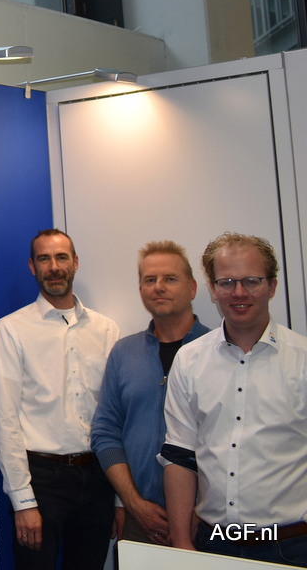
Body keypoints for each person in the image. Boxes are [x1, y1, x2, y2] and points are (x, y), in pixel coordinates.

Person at [160, 233, 307, 566]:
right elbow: (179, 455)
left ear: (272, 286)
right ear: (213, 289)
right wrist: (181, 543)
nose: (239, 293)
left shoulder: (302, 359)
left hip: (292, 547)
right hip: (213, 543)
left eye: (251, 281)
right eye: (226, 282)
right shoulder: (189, 360)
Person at [0, 228, 120, 569]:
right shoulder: (12, 330)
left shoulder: (107, 330)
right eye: (44, 259)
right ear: (32, 267)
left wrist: (120, 498)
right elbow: (5, 420)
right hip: (42, 482)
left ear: (75, 262)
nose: (54, 267)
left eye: (61, 257)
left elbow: (117, 416)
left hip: (99, 478)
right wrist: (23, 502)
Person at [91, 241, 208, 549]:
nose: (159, 287)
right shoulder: (123, 353)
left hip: (206, 524)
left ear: (192, 288)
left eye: (170, 278)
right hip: (141, 523)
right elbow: (105, 432)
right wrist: (132, 503)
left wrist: (202, 511)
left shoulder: (218, 351)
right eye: (150, 279)